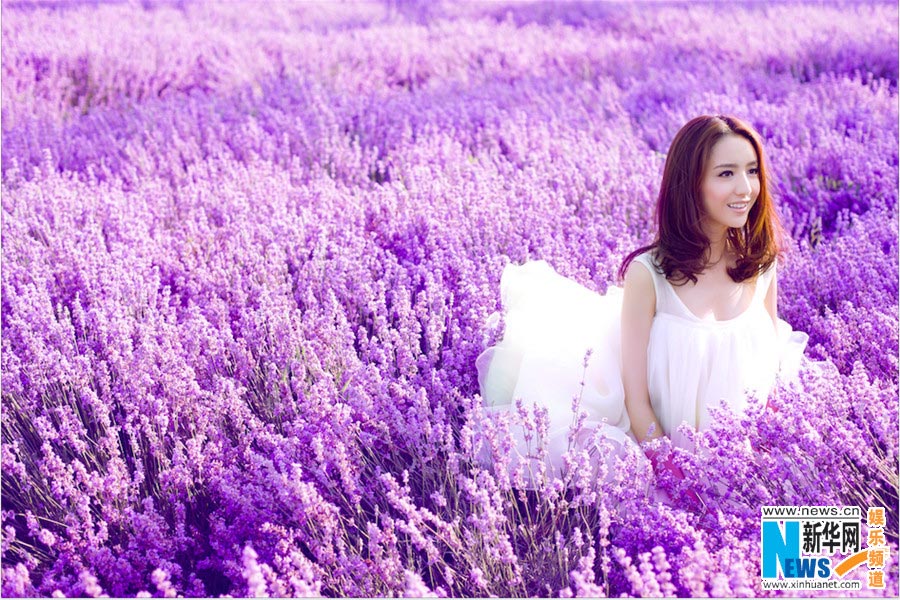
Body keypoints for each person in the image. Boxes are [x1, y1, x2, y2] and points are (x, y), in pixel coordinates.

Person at [475, 114, 808, 486]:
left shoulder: (760, 266)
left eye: (752, 171)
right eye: (726, 174)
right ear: (691, 184)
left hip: (744, 461)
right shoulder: (650, 275)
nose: (745, 188)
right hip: (661, 458)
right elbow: (637, 402)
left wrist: (762, 456)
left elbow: (772, 372)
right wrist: (673, 474)